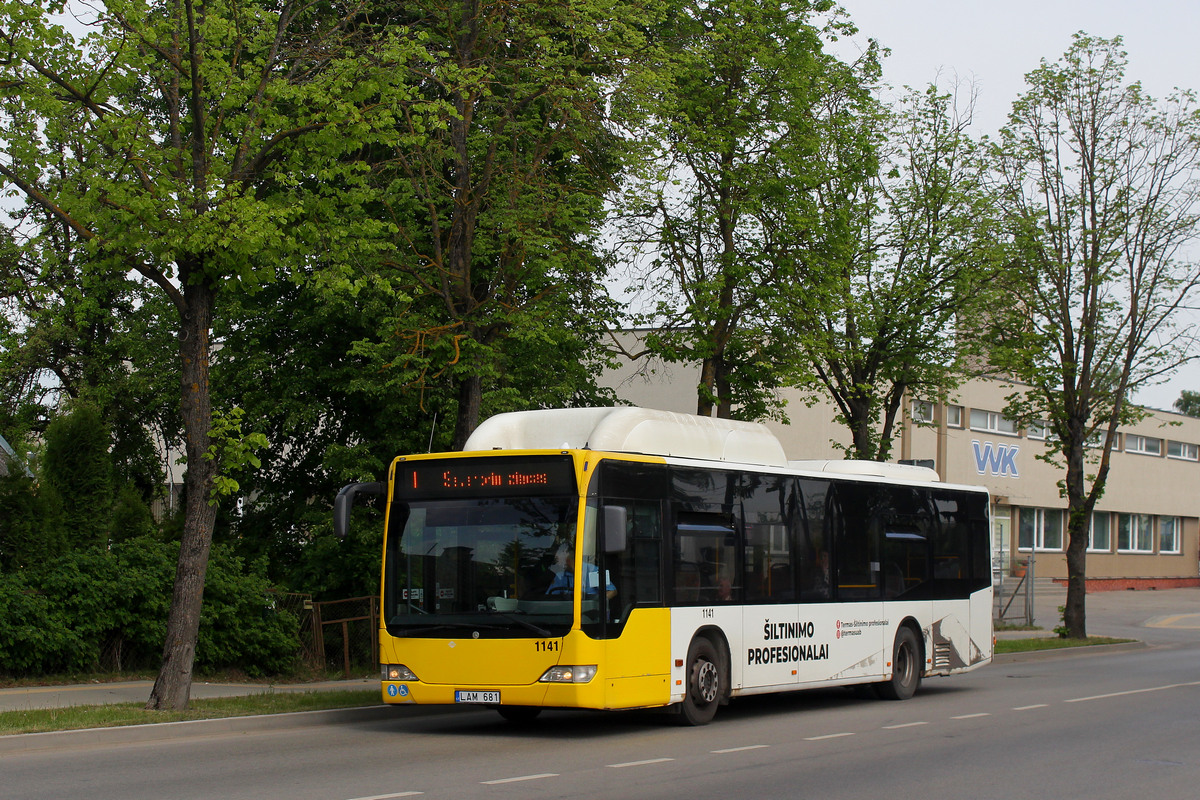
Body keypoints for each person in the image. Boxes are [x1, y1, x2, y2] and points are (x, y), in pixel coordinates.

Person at [546, 546, 616, 599]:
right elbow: (550, 597)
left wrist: (594, 602)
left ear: (567, 559)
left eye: (558, 559)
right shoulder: (560, 576)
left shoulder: (592, 571)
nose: (557, 563)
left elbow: (612, 591)